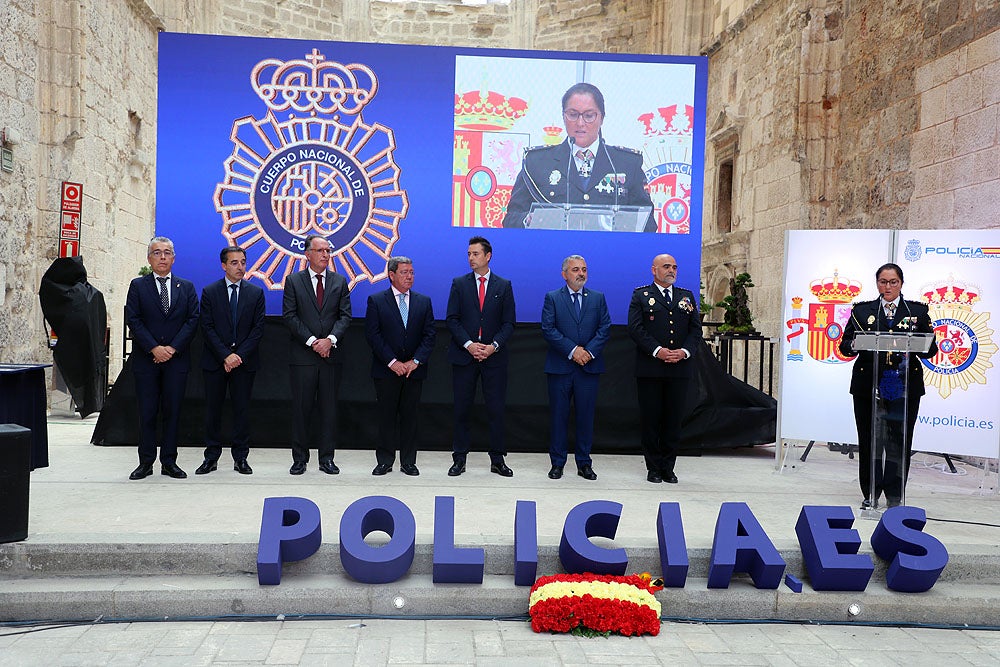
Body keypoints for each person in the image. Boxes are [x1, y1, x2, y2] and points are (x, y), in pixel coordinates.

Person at [838, 263, 938, 509]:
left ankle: (894, 495)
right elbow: (845, 345)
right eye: (883, 282)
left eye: (893, 282)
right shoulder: (862, 312)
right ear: (877, 284)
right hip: (868, 385)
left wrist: (921, 344)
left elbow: (931, 348)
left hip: (904, 386)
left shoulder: (916, 311)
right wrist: (856, 344)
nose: (888, 287)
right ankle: (870, 492)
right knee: (870, 439)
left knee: (899, 440)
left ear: (901, 283)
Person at [502, 82, 656, 232]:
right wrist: (530, 219)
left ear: (602, 118)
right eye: (573, 115)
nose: (580, 123)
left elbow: (648, 223)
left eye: (589, 116)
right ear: (563, 116)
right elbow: (511, 219)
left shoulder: (626, 164)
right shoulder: (536, 162)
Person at [124, 237, 199, 480]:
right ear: (149, 258)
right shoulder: (138, 286)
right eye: (157, 253)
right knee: (146, 413)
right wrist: (154, 348)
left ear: (174, 258)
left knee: (173, 412)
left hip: (176, 362)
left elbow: (192, 320)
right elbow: (133, 320)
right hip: (147, 361)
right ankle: (145, 462)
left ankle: (169, 462)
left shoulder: (186, 287)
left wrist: (172, 348)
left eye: (167, 253)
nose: (163, 257)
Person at [627, 253, 703, 484]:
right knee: (651, 420)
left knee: (673, 420)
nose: (671, 270)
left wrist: (684, 352)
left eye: (674, 267)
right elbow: (636, 329)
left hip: (679, 368)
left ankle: (668, 467)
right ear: (654, 270)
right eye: (666, 266)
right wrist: (658, 350)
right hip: (651, 368)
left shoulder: (686, 296)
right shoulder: (641, 295)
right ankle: (653, 467)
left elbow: (695, 331)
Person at [445, 236, 516, 477]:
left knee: (495, 410)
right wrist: (468, 345)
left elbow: (508, 323)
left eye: (475, 254)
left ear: (488, 256)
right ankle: (459, 459)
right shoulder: (459, 283)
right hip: (465, 357)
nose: (471, 258)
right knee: (462, 409)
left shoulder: (503, 285)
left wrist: (492, 346)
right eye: (469, 254)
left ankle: (497, 459)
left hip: (494, 358)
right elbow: (452, 319)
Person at [282, 235, 352, 475]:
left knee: (329, 410)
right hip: (303, 357)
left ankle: (327, 459)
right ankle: (300, 459)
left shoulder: (339, 281)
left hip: (331, 357)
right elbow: (290, 316)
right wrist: (313, 342)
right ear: (307, 254)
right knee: (302, 410)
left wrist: (330, 340)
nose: (325, 255)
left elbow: (345, 316)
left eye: (328, 250)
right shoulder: (293, 281)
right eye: (320, 250)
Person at [196, 246, 265, 476]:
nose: (240, 267)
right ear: (224, 265)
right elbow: (207, 327)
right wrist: (225, 355)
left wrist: (238, 356)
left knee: (242, 411)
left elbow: (257, 330)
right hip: (216, 361)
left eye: (243, 262)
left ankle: (241, 458)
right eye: (234, 263)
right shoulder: (210, 292)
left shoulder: (255, 293)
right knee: (213, 411)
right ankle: (211, 457)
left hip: (244, 363)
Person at [540, 255, 611, 480]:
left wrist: (588, 352)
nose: (581, 273)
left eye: (584, 269)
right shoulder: (552, 298)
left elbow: (605, 328)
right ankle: (557, 463)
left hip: (588, 368)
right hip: (560, 368)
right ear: (564, 274)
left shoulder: (598, 298)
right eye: (575, 270)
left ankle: (584, 463)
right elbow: (548, 329)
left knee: (585, 417)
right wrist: (573, 351)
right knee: (559, 417)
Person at [364, 257, 436, 477]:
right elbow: (373, 335)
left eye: (412, 272)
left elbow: (430, 335)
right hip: (387, 371)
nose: (409, 276)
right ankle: (385, 461)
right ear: (391, 275)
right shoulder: (376, 301)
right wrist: (393, 362)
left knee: (410, 417)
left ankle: (408, 462)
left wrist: (415, 361)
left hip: (414, 371)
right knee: (386, 417)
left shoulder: (423, 302)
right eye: (404, 272)